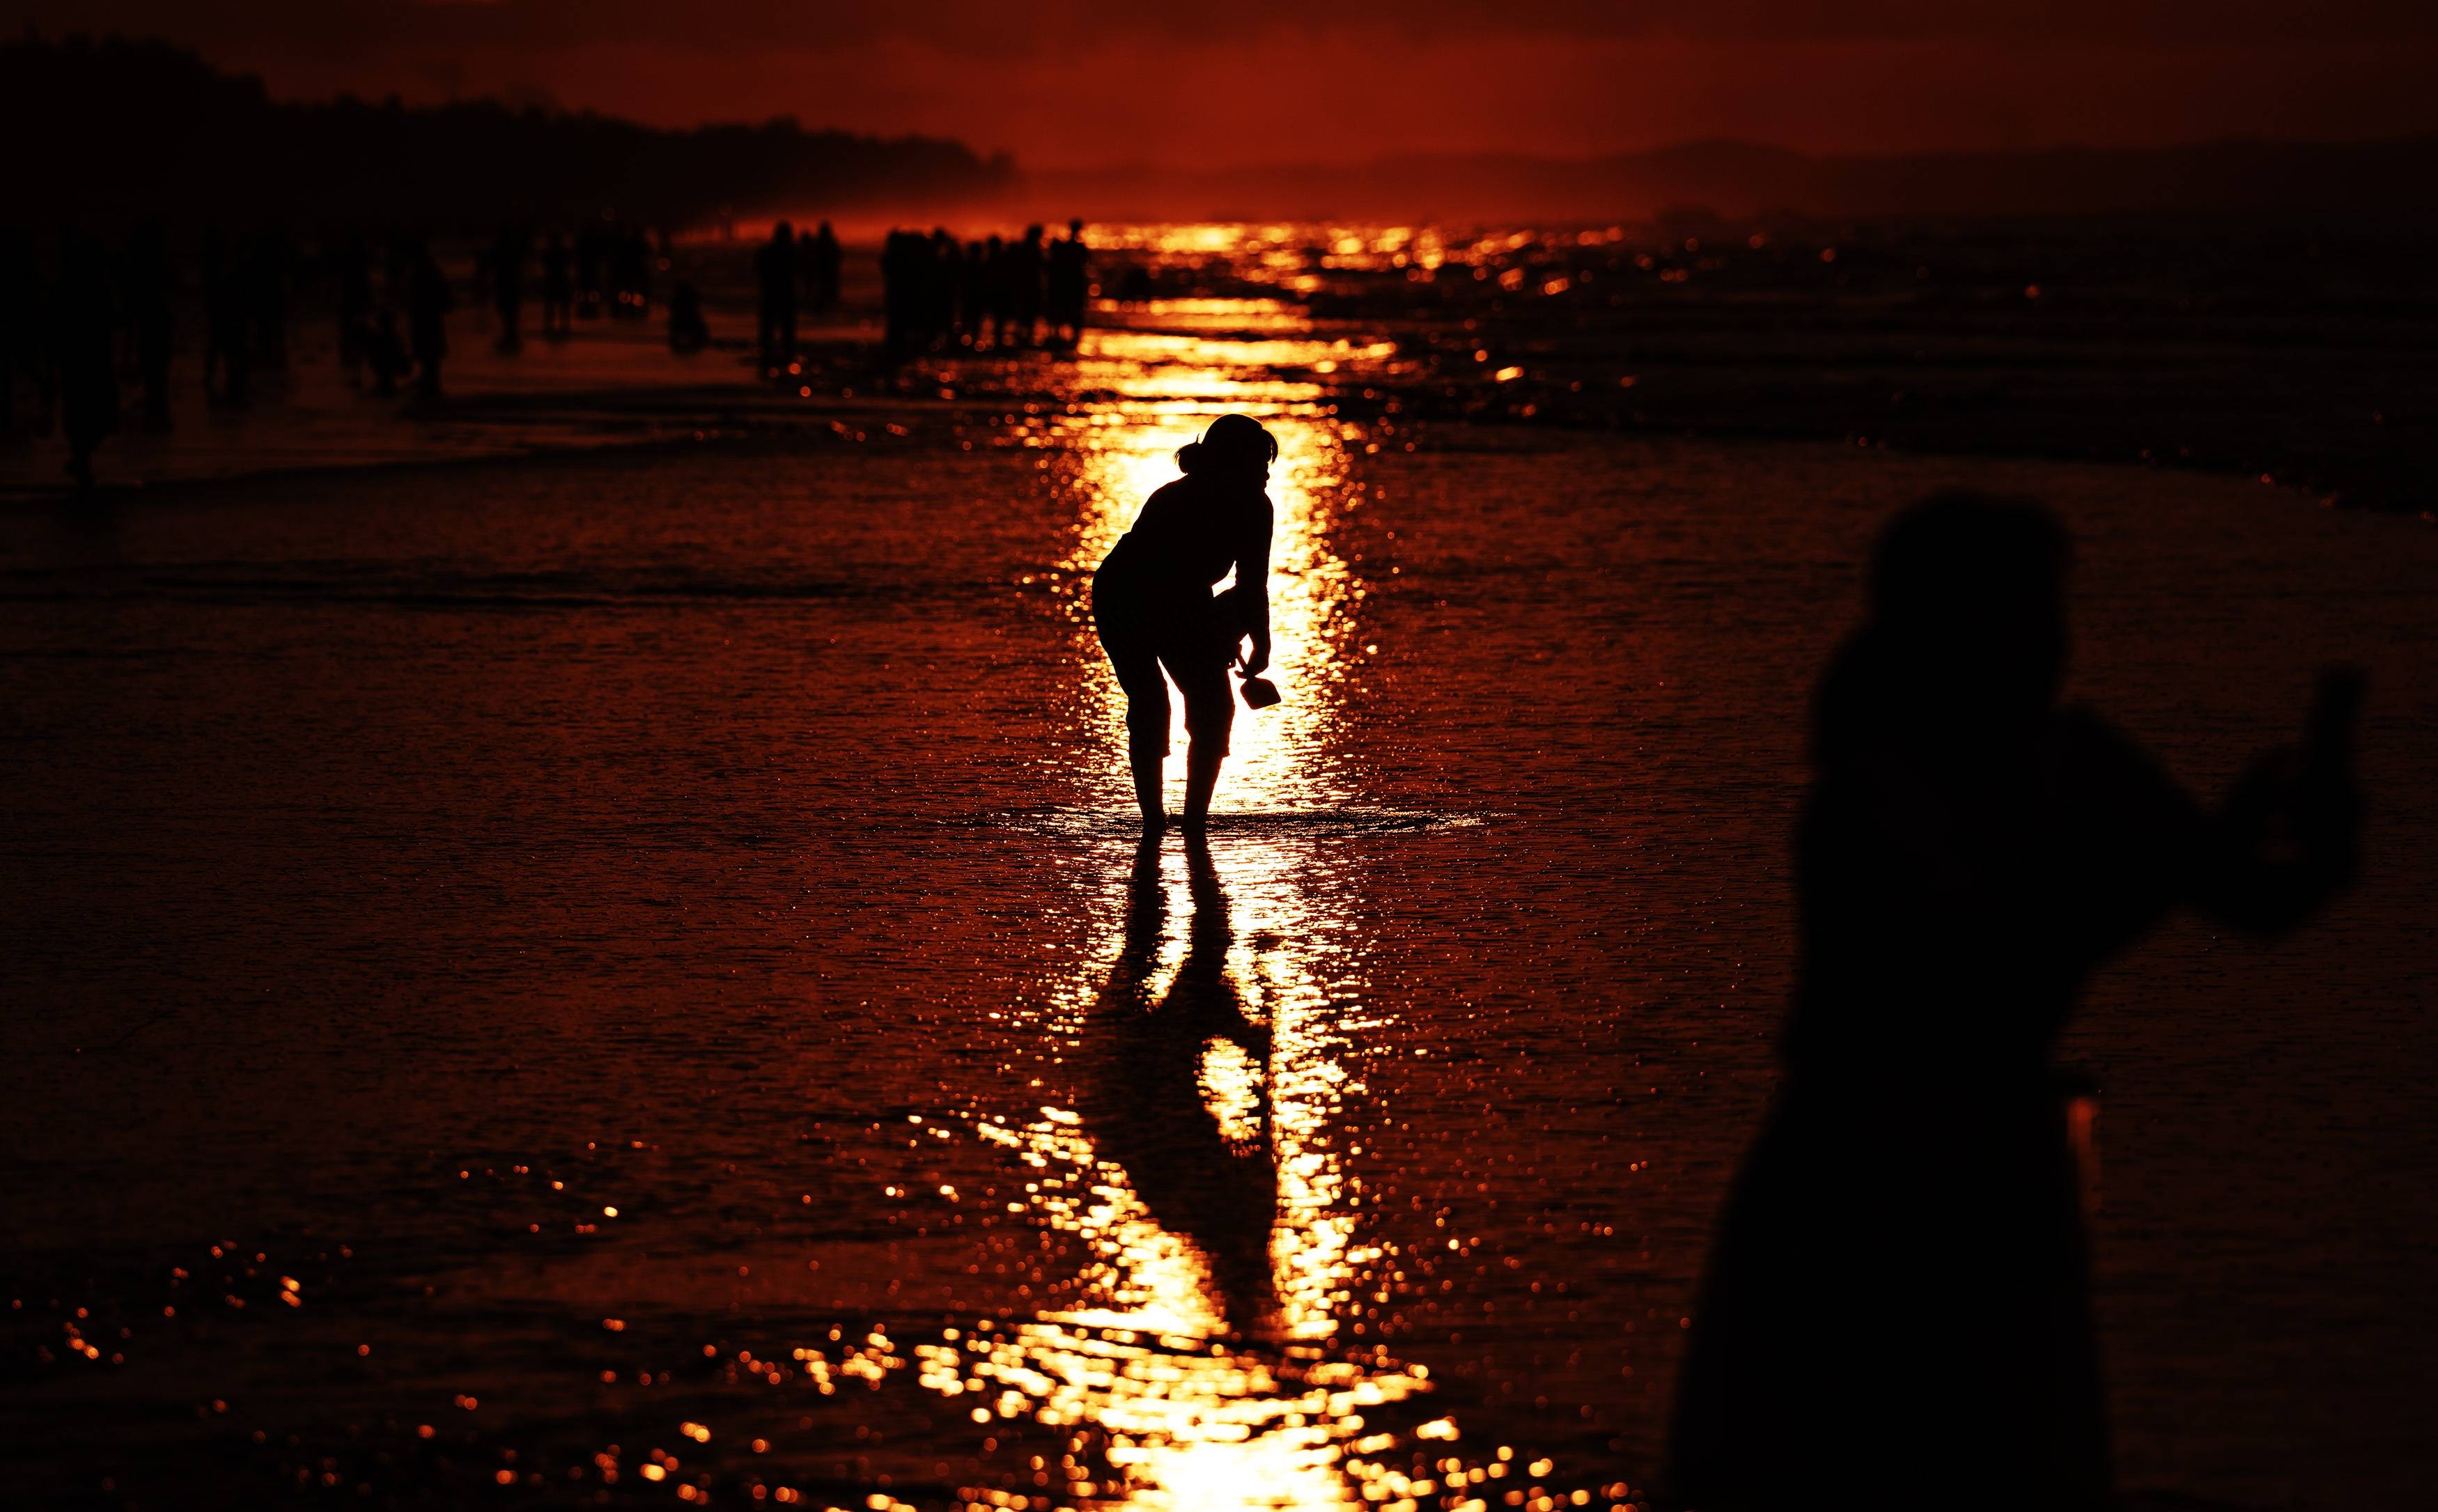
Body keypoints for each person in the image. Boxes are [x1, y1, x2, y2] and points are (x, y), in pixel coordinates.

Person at [1665, 492, 2362, 1512]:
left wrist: (2323, 847)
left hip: (1996, 1153)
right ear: (1934, 632)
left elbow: (2251, 901)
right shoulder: (1871, 794)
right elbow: (1989, 970)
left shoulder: (2075, 757)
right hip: (1863, 1164)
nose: (2045, 640)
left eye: (2048, 610)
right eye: (2013, 613)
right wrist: (2194, 859)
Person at [1092, 413, 1276, 834]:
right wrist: (1217, 634)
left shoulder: (1257, 507)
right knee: (1151, 699)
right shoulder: (1172, 499)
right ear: (1226, 463)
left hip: (1186, 598)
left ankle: (1195, 821)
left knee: (1214, 706)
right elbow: (1165, 584)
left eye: (1266, 463)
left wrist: (1259, 642)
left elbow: (1252, 583)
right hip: (1124, 595)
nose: (1265, 473)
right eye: (1255, 462)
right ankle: (1153, 821)